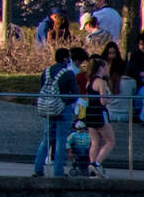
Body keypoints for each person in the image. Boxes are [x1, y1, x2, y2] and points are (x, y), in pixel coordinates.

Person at [33, 47, 81, 177]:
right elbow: (75, 93)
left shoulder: (46, 71)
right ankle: (58, 172)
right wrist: (66, 102)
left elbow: (42, 88)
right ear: (65, 59)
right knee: (61, 141)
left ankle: (38, 169)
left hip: (48, 108)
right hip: (62, 109)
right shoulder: (68, 74)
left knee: (46, 139)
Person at [82, 55, 114, 175]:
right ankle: (96, 163)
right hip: (100, 113)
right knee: (110, 141)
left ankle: (92, 167)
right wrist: (108, 97)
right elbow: (103, 101)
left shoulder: (89, 82)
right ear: (100, 68)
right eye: (105, 68)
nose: (106, 70)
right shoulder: (101, 82)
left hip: (90, 112)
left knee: (95, 141)